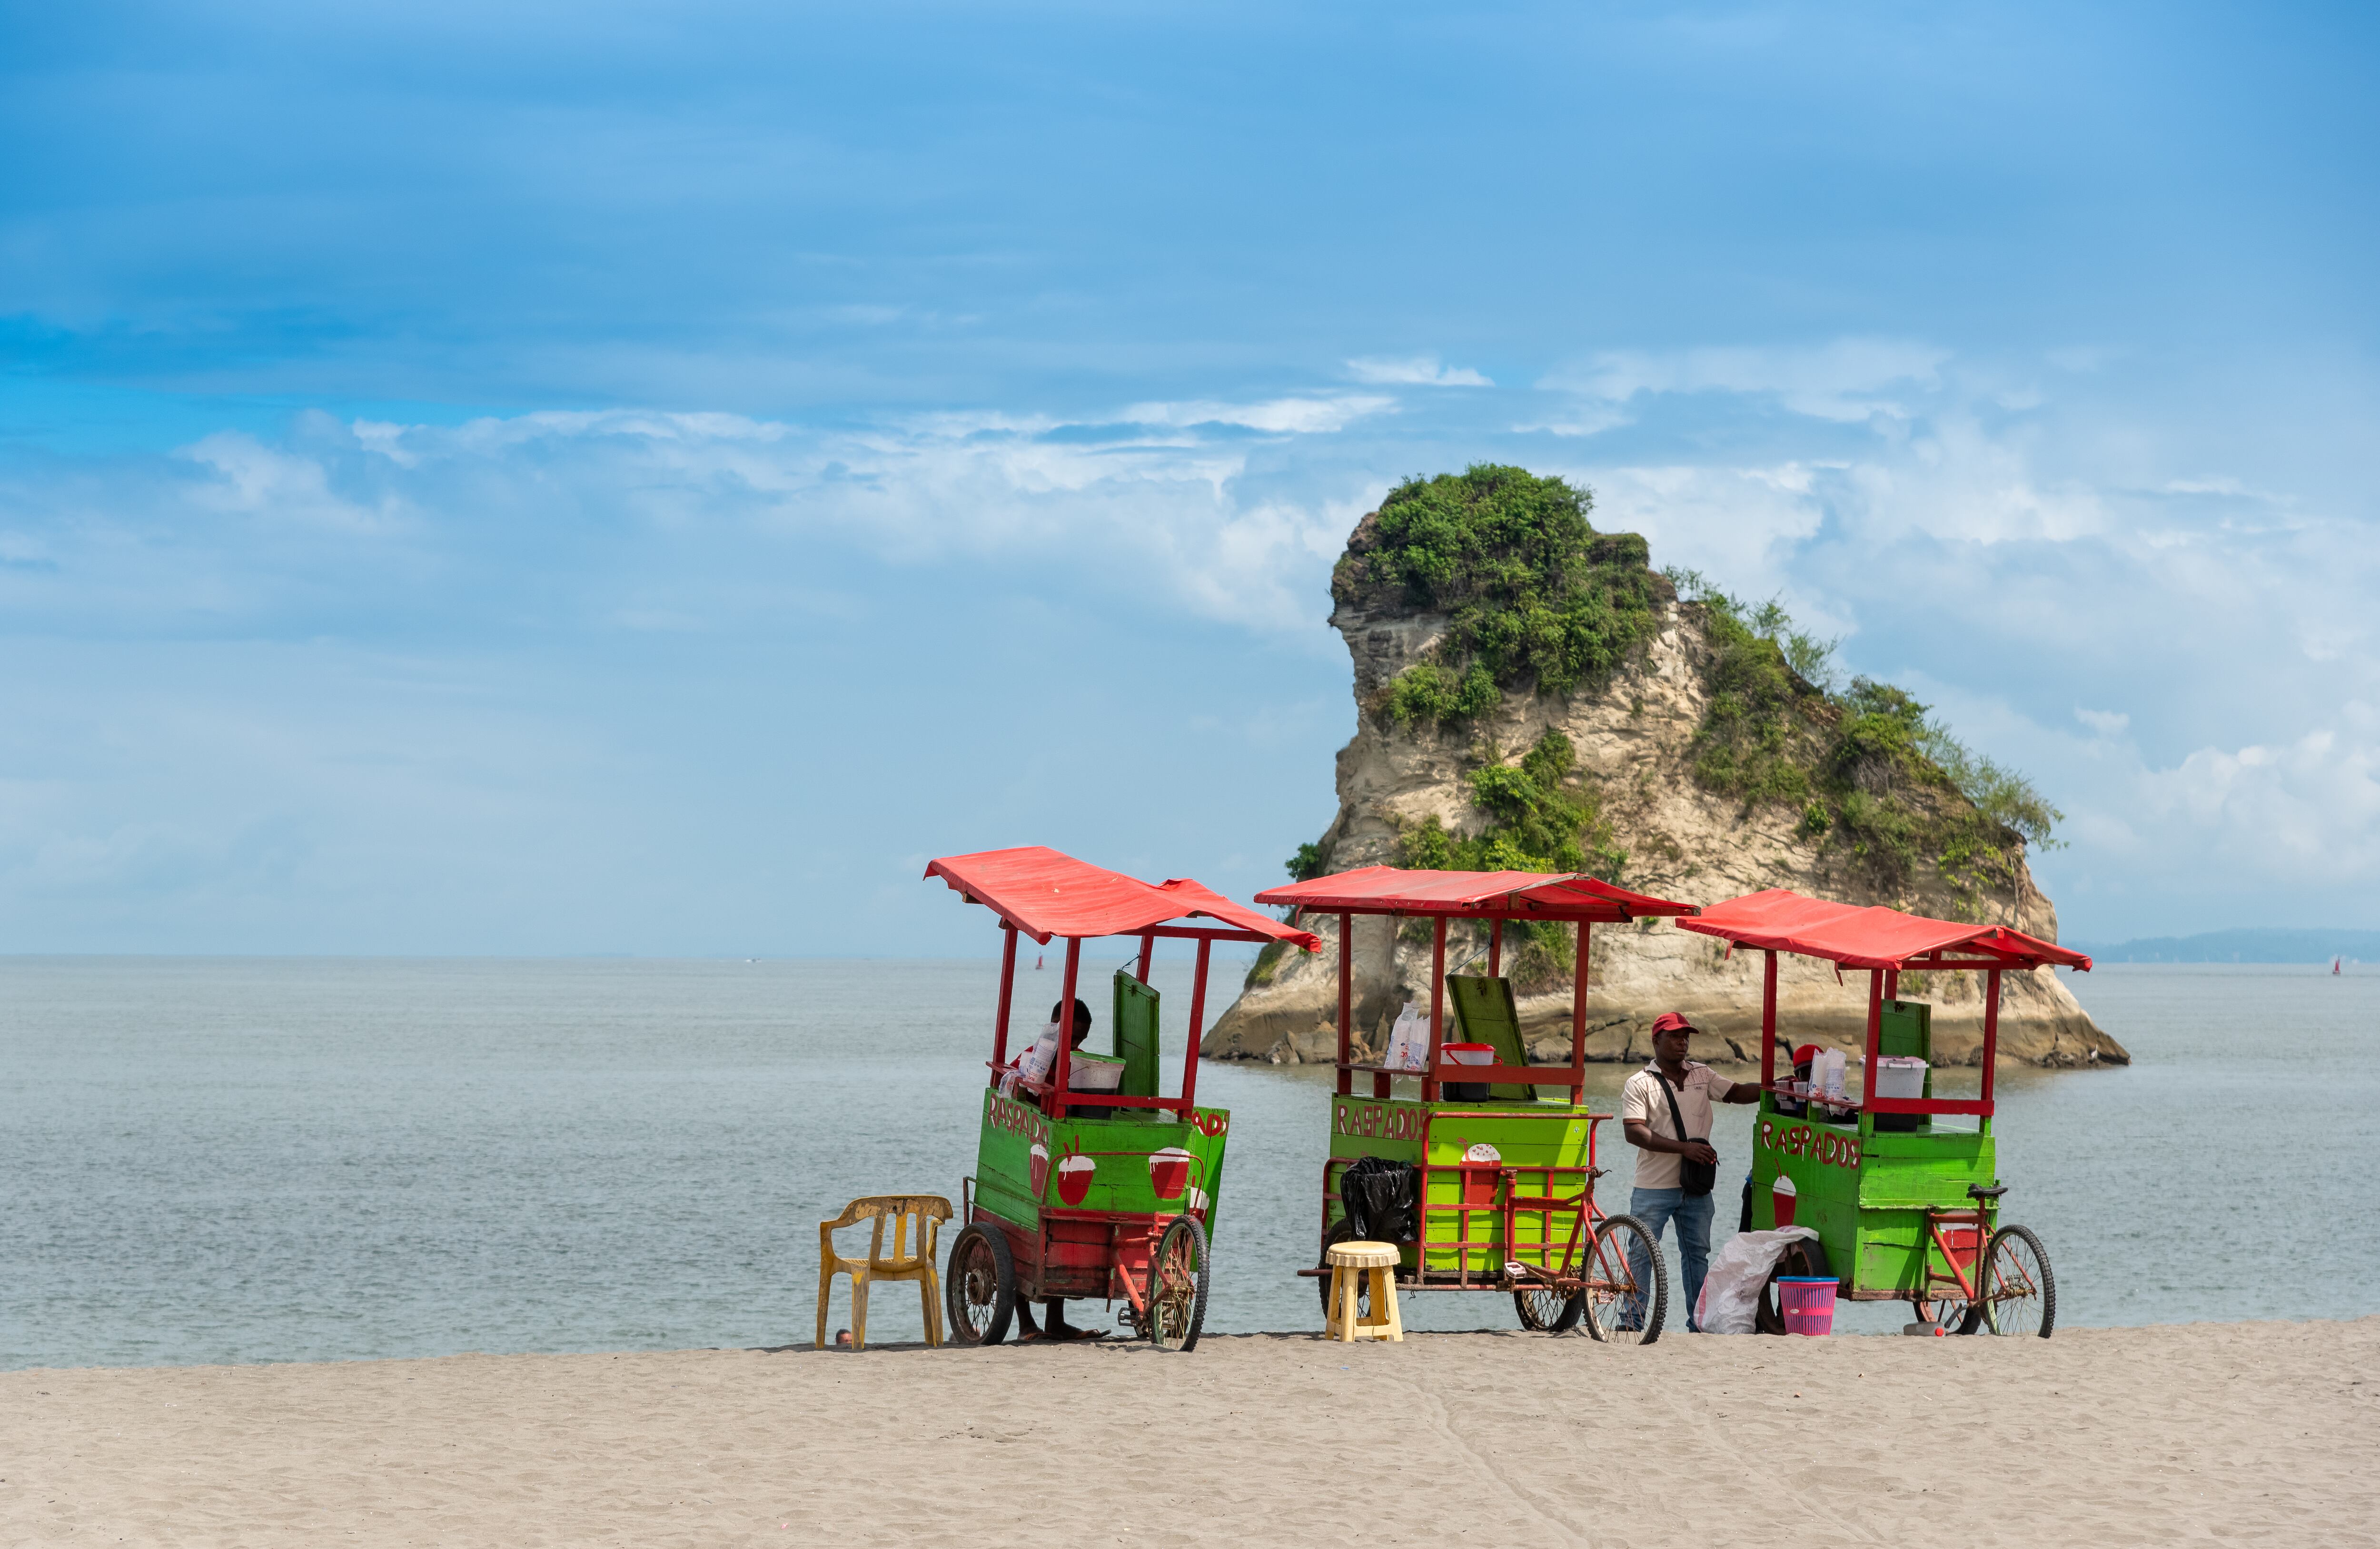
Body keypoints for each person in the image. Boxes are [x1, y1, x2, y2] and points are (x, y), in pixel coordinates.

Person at [1620, 1010, 1758, 1332]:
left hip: (1695, 1185)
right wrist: (1685, 1148)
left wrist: (1773, 1088)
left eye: (1687, 1037)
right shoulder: (1639, 1083)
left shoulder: (1702, 1074)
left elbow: (1736, 1093)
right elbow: (1633, 1132)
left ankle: (1700, 1322)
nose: (1683, 1042)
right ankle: (1632, 1320)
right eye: (1675, 1036)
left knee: (1697, 1255)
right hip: (1653, 1185)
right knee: (1641, 1251)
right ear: (1656, 1040)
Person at [1011, 997, 1105, 1342]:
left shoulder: (1074, 1063)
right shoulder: (1031, 1056)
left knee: (1061, 1222)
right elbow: (1013, 1087)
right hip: (1027, 1148)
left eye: (1082, 1039)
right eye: (1072, 1038)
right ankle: (1025, 1323)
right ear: (1054, 1027)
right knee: (1020, 1228)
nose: (1077, 1046)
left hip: (1057, 1151)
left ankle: (1056, 1320)